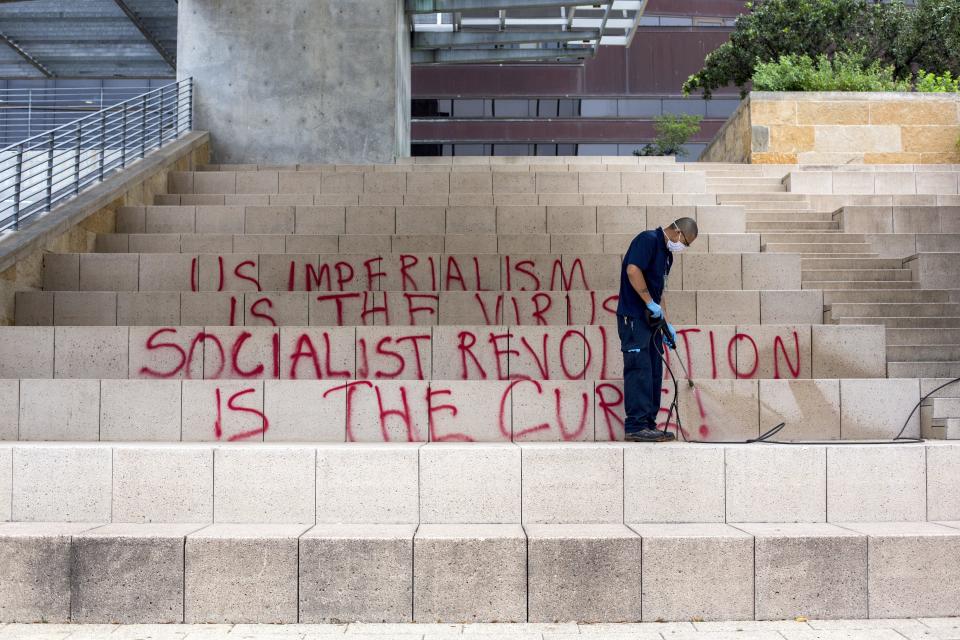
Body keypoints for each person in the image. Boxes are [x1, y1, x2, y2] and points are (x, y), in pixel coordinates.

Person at [616, 217, 698, 442]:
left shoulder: (667, 255)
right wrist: (648, 303)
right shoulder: (648, 239)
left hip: (651, 321)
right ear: (678, 232)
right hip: (633, 316)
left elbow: (659, 292)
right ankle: (636, 425)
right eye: (686, 242)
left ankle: (649, 424)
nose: (684, 247)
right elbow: (633, 270)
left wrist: (666, 324)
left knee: (653, 370)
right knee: (639, 369)